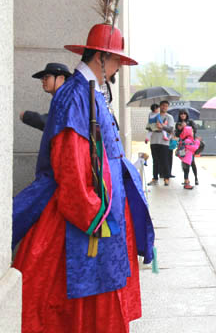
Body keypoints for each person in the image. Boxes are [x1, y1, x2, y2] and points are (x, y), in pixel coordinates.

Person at [12, 18, 155, 332]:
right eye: (116, 59)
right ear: (101, 58)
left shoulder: (87, 92)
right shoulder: (75, 94)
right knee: (72, 296)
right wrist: (93, 214)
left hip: (100, 208)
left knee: (97, 291)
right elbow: (71, 163)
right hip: (83, 215)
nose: (119, 68)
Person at [20, 62, 72, 131]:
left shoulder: (71, 99)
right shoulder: (61, 99)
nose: (43, 81)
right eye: (42, 78)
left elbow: (57, 123)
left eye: (47, 77)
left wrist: (28, 116)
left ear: (61, 78)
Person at [148, 100, 174, 186]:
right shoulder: (153, 115)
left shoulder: (169, 117)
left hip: (164, 142)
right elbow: (149, 127)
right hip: (154, 140)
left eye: (166, 106)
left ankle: (166, 178)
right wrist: (154, 126)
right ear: (159, 106)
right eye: (162, 105)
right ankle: (155, 178)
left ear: (167, 107)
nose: (164, 107)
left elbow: (170, 130)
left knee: (164, 160)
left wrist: (162, 126)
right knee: (155, 160)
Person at [177, 108, 199, 185]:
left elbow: (195, 130)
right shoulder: (178, 123)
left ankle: (196, 178)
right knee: (184, 162)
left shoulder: (191, 121)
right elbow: (177, 134)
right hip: (183, 146)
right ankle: (186, 179)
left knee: (192, 162)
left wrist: (186, 127)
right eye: (181, 114)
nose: (183, 115)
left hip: (190, 145)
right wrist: (180, 129)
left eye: (184, 113)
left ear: (187, 114)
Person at [176, 122, 201, 190]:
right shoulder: (188, 140)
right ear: (188, 132)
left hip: (185, 159)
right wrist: (197, 142)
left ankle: (186, 181)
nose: (193, 132)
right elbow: (194, 148)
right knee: (186, 171)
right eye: (192, 131)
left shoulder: (186, 140)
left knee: (186, 171)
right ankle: (186, 184)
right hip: (186, 160)